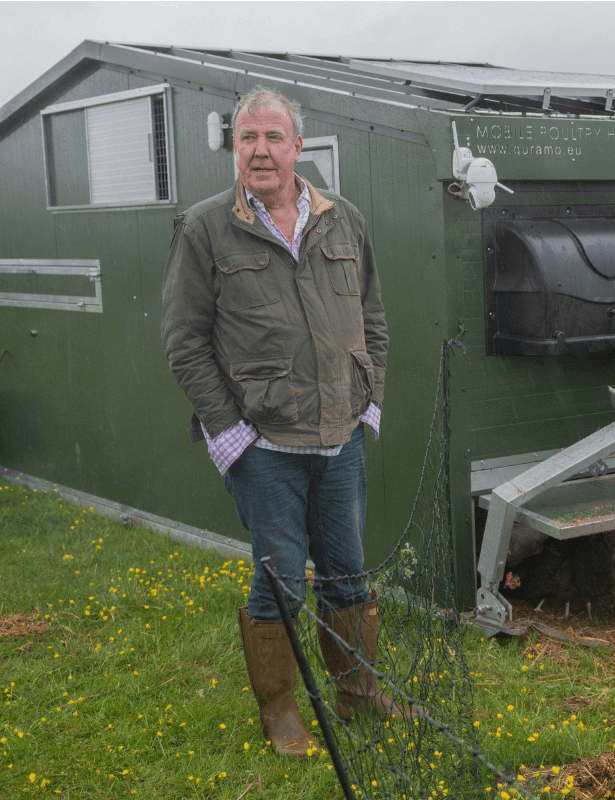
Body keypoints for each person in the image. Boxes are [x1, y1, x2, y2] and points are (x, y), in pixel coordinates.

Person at [162, 87, 403, 758]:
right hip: (264, 443)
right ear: (233, 148)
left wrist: (369, 399)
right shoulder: (204, 228)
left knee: (348, 574)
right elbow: (184, 342)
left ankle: (358, 692)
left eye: (274, 136)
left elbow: (373, 319)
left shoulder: (343, 218)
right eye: (248, 138)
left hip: (341, 436)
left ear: (299, 146)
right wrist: (230, 435)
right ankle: (280, 714)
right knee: (279, 579)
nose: (261, 149)